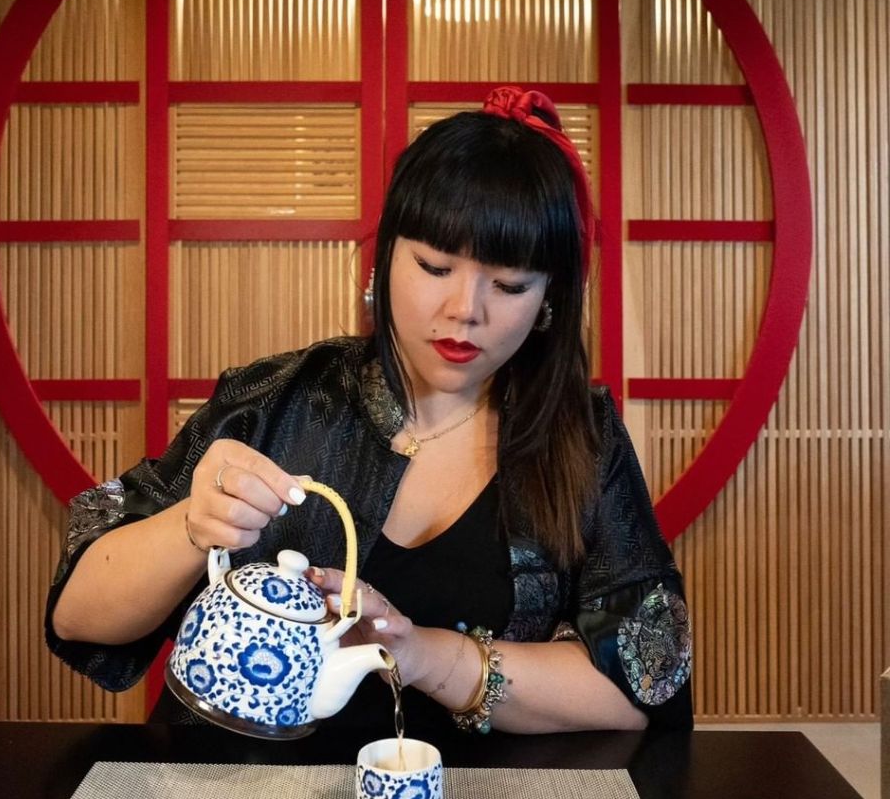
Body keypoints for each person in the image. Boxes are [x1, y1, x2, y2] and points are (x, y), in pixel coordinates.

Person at [46, 86, 693, 738]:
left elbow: (644, 686)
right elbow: (76, 617)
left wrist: (421, 655)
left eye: (508, 284)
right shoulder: (277, 399)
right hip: (237, 791)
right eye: (434, 266)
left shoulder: (581, 437)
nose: (465, 310)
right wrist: (191, 526)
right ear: (385, 258)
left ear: (549, 296)